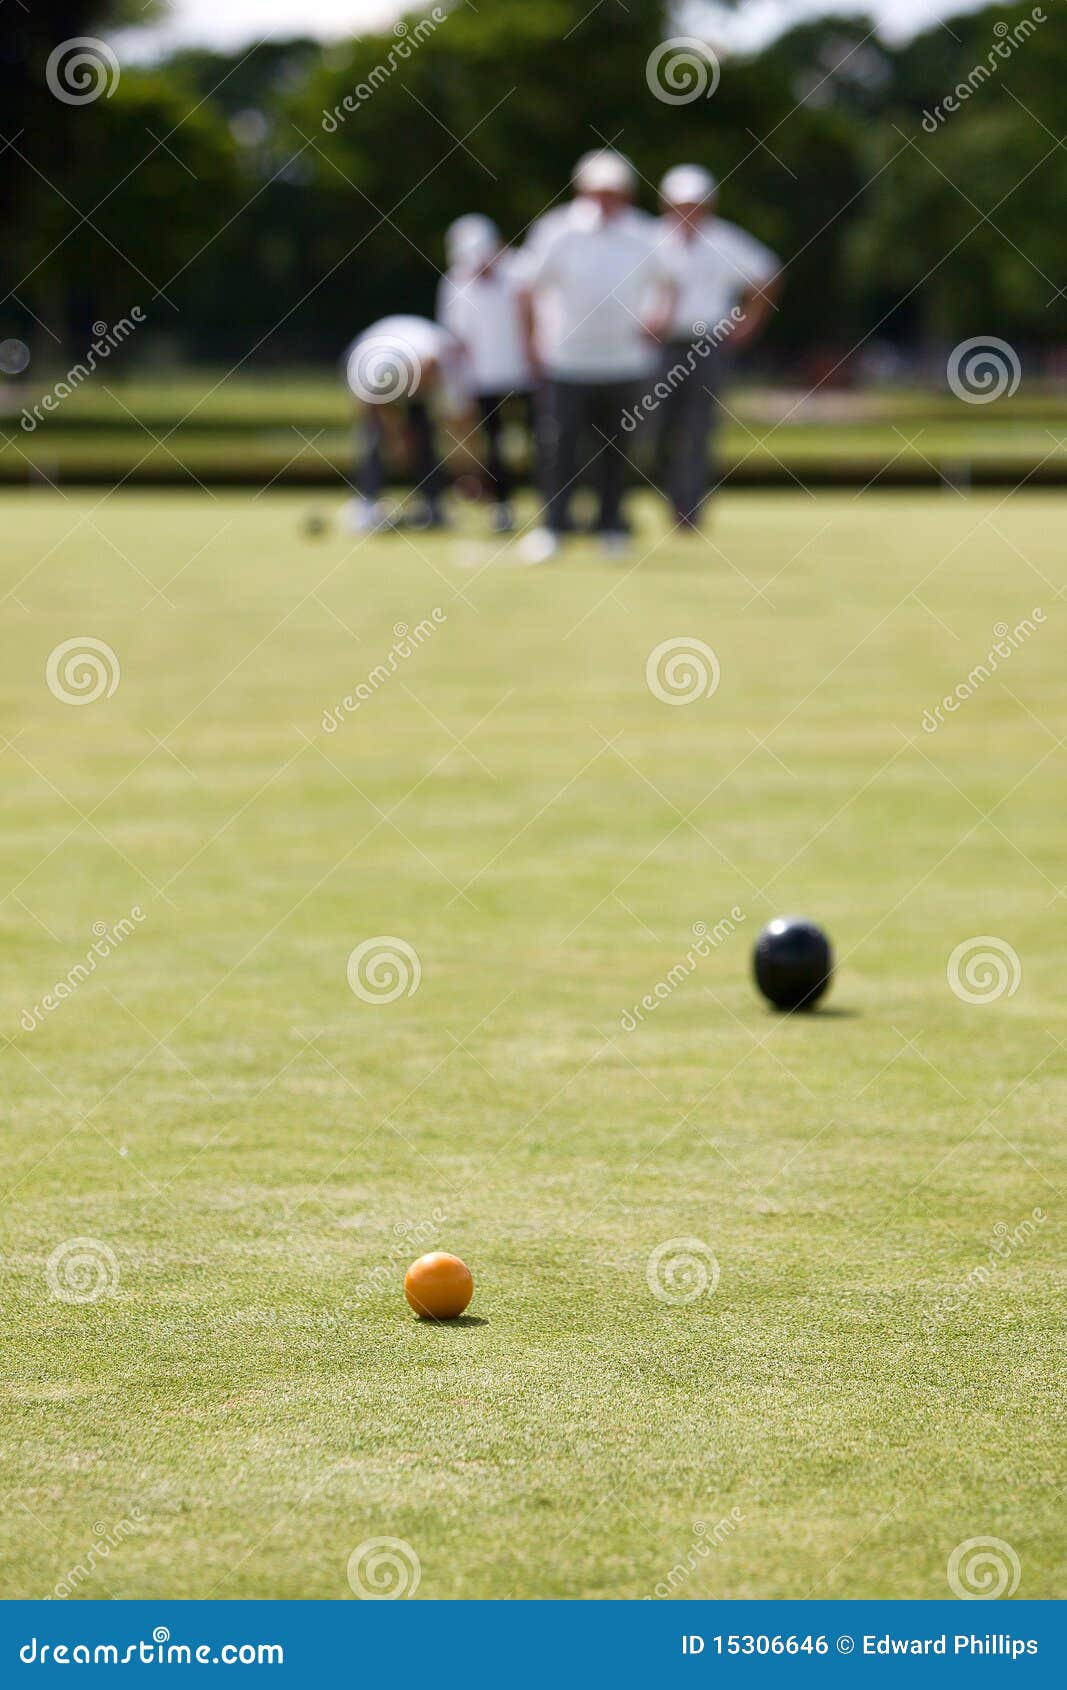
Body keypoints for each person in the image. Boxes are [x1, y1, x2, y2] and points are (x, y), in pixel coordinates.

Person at [517, 149, 676, 565]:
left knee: (617, 449)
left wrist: (658, 322)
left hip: (625, 362)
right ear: (582, 190)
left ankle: (611, 527)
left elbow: (669, 284)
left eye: (615, 191)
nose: (607, 199)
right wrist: (532, 341)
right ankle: (553, 528)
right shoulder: (556, 230)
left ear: (626, 194)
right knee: (559, 448)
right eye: (599, 191)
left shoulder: (644, 233)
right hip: (567, 359)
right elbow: (528, 288)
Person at [654, 164, 782, 532]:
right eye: (681, 204)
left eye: (695, 204)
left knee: (698, 428)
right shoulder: (651, 239)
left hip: (707, 346)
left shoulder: (725, 240)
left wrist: (749, 322)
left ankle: (688, 509)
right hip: (660, 347)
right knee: (656, 428)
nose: (688, 212)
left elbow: (767, 274)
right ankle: (673, 494)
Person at [437, 215, 533, 534]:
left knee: (544, 438)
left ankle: (558, 507)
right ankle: (502, 508)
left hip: (525, 374)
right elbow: (456, 338)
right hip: (482, 380)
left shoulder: (520, 273)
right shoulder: (454, 283)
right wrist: (458, 387)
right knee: (494, 447)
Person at [341, 314, 464, 534]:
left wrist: (468, 469)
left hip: (403, 371)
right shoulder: (381, 364)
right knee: (373, 436)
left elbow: (457, 421)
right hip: (370, 371)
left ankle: (433, 504)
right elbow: (369, 404)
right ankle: (367, 506)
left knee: (424, 434)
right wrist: (397, 439)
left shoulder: (448, 367)